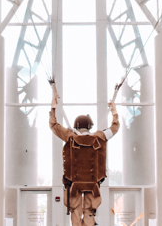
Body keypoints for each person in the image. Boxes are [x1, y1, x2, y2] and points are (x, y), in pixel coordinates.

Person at [49, 82, 119, 226]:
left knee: (75, 211)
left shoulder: (69, 136)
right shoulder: (99, 136)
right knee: (89, 212)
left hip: (73, 183)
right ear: (89, 126)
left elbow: (53, 125)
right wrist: (114, 111)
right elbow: (114, 128)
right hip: (93, 183)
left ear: (76, 126)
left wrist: (53, 108)